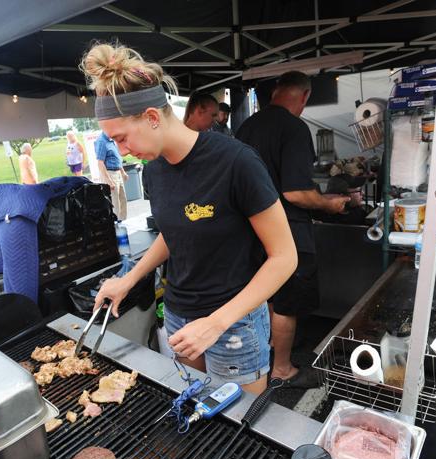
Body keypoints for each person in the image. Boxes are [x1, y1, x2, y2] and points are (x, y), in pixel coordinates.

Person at [81, 42, 297, 394]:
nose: (120, 151)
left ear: (152, 117)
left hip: (234, 320)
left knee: (237, 427)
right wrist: (130, 278)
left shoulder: (237, 162)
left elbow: (285, 257)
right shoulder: (153, 171)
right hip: (180, 314)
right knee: (197, 410)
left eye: (121, 139)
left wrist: (216, 323)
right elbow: (175, 232)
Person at [236, 71, 349, 388]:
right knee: (287, 303)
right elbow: (296, 193)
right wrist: (328, 204)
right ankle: (282, 369)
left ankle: (272, 349)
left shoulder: (246, 126)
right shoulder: (295, 128)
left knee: (266, 297)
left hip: (248, 232)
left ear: (275, 92)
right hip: (286, 233)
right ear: (304, 96)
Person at [94, 130, 128, 221]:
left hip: (117, 173)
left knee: (123, 200)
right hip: (110, 173)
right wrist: (109, 180)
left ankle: (124, 222)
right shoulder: (101, 141)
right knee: (114, 202)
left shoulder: (111, 140)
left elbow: (116, 158)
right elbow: (100, 163)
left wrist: (123, 172)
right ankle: (116, 226)